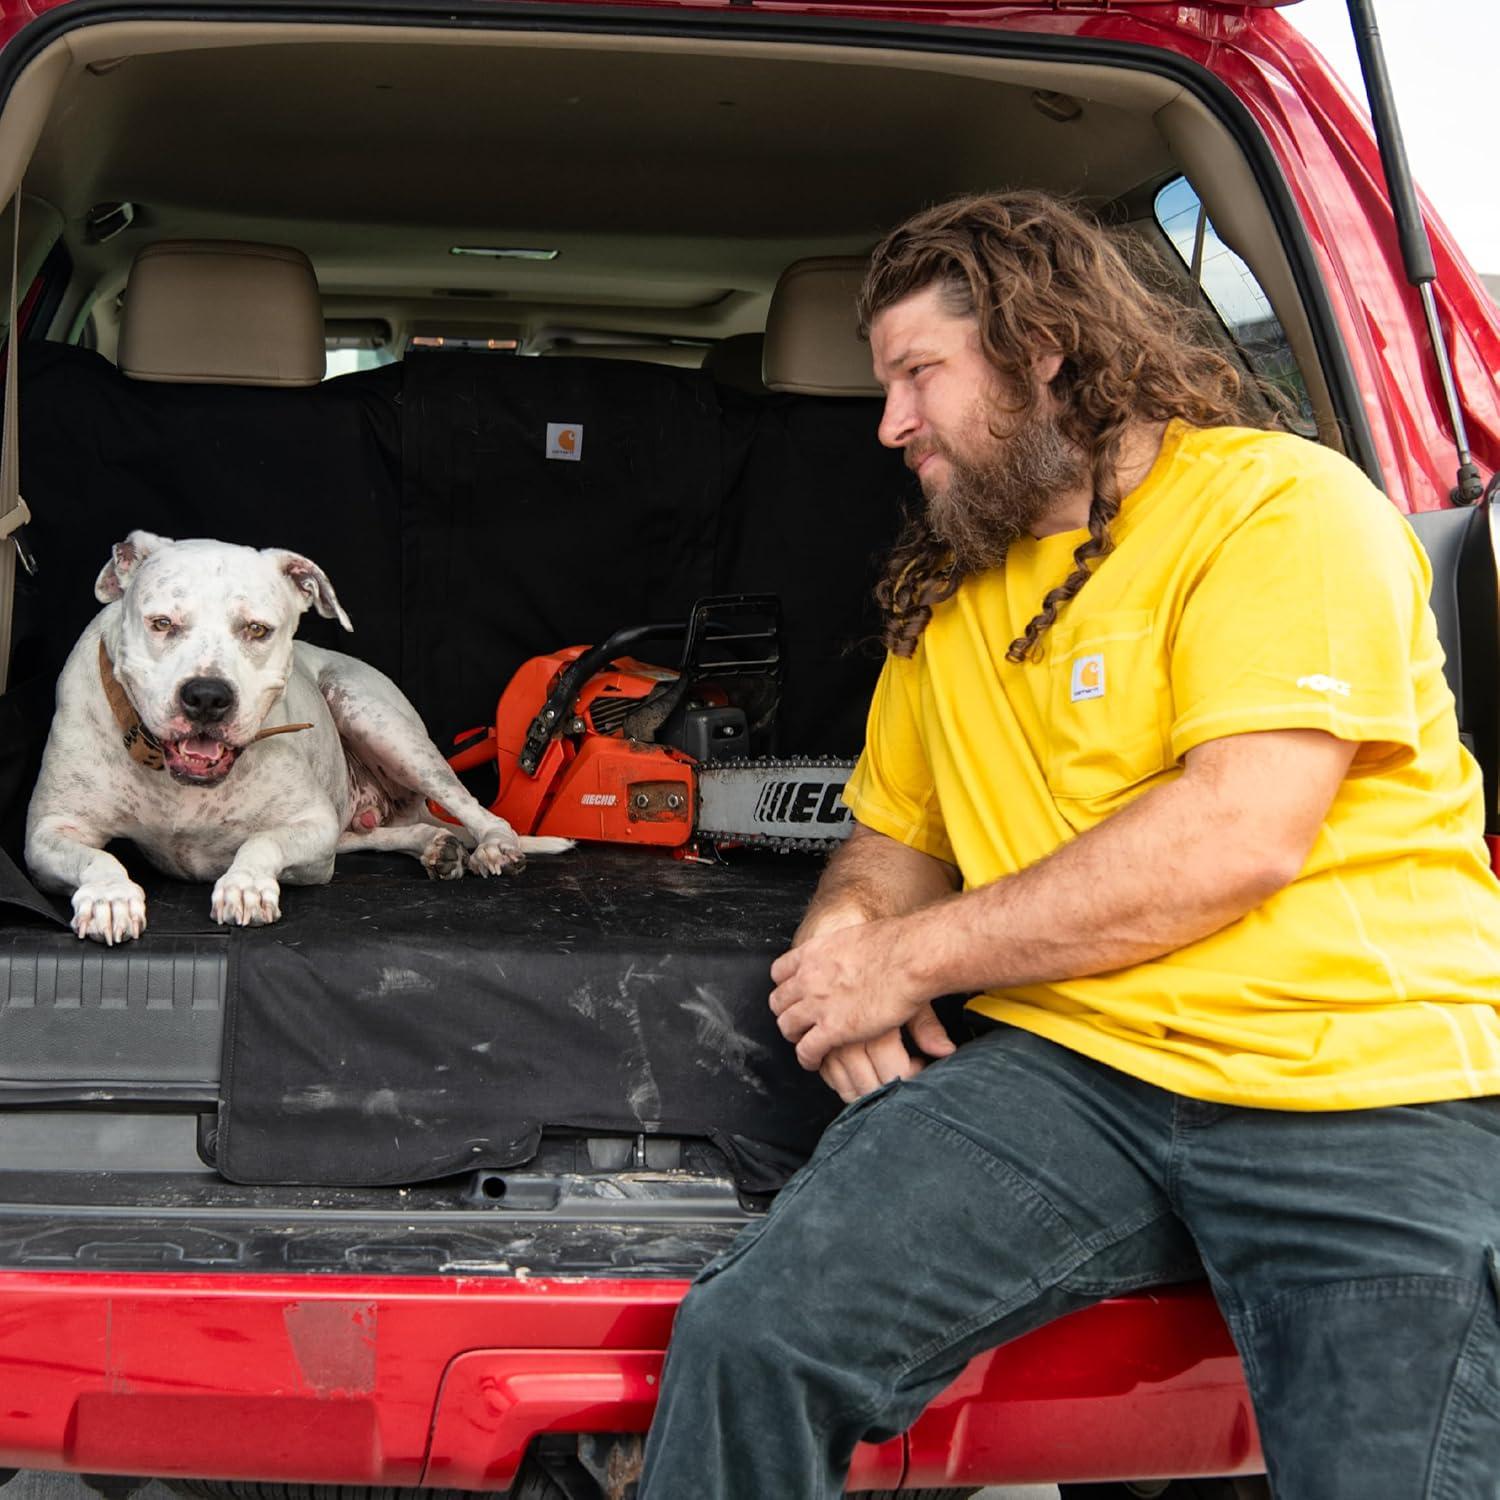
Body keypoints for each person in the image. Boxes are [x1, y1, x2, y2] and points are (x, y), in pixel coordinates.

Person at [636, 191, 1500, 1499]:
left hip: (1362, 1077)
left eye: (920, 373)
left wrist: (912, 961)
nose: (890, 424)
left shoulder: (1280, 509)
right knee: (755, 1337)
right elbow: (888, 842)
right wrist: (845, 944)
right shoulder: (953, 597)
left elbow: (1236, 834)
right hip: (1080, 1075)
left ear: (1043, 348)